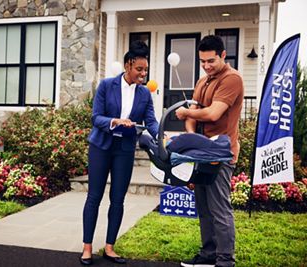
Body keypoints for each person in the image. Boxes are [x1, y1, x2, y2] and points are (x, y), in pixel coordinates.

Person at [80, 40, 159, 265]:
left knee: (118, 199)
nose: (143, 73)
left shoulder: (144, 94)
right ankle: (87, 247)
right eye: (139, 69)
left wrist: (161, 136)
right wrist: (115, 121)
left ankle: (109, 247)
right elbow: (96, 118)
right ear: (128, 66)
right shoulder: (106, 85)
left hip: (124, 150)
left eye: (145, 69)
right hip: (100, 147)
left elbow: (151, 121)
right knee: (94, 197)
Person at [175, 35, 244, 267]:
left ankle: (225, 261)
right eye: (202, 61)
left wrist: (186, 114)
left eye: (211, 61)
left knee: (219, 209)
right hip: (201, 154)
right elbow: (194, 113)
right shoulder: (202, 81)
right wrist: (193, 139)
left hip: (221, 155)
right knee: (203, 208)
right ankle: (208, 255)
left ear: (224, 55)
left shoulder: (232, 79)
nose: (206, 66)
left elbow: (213, 113)